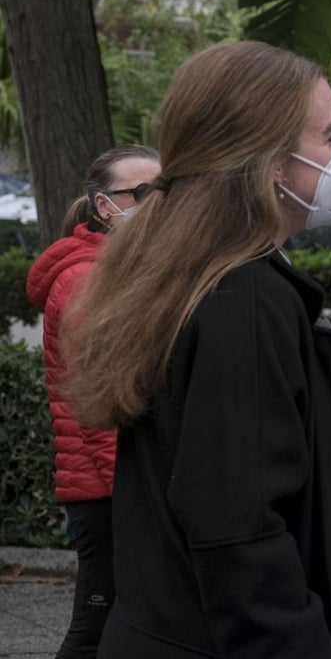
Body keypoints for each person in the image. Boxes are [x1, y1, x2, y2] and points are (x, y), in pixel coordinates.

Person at [63, 41, 331, 658]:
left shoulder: (189, 272)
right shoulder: (244, 296)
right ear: (271, 162)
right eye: (328, 136)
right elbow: (241, 532)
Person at [25, 144, 160, 659]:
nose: (158, 202)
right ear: (104, 206)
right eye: (143, 192)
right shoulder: (88, 278)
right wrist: (134, 494)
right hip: (109, 493)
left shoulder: (124, 271)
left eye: (164, 189)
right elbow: (100, 404)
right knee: (94, 630)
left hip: (114, 488)